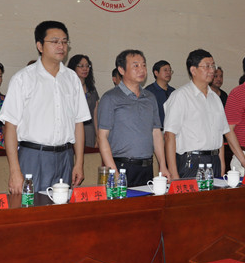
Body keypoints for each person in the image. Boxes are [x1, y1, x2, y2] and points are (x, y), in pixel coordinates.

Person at [0, 21, 91, 194]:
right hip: (33, 155)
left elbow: (78, 122)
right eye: (55, 41)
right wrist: (14, 171)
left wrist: (79, 163)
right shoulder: (23, 78)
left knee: (62, 207)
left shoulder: (72, 78)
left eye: (64, 42)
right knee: (31, 208)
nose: (61, 46)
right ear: (40, 46)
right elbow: (10, 126)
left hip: (65, 156)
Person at [97, 50, 170, 186]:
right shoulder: (110, 98)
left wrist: (163, 165)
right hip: (122, 166)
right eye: (135, 66)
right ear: (121, 70)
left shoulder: (150, 98)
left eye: (143, 65)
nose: (141, 69)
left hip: (147, 166)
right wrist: (114, 172)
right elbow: (102, 137)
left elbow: (156, 133)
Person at [164, 49, 229, 178]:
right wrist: (173, 174)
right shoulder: (180, 96)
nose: (212, 70)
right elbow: (169, 136)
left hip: (214, 160)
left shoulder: (215, 98)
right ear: (193, 70)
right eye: (207, 66)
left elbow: (220, 133)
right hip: (192, 161)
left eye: (213, 66)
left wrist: (221, 163)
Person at [67, 54, 100, 148]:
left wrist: (98, 136)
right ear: (73, 67)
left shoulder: (92, 89)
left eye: (87, 66)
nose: (85, 69)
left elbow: (95, 115)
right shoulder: (68, 88)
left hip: (89, 131)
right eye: (81, 66)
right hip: (72, 130)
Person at [145, 60, 175, 128]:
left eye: (170, 70)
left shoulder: (173, 92)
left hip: (172, 130)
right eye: (165, 70)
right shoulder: (148, 92)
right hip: (155, 130)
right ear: (156, 73)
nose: (168, 73)